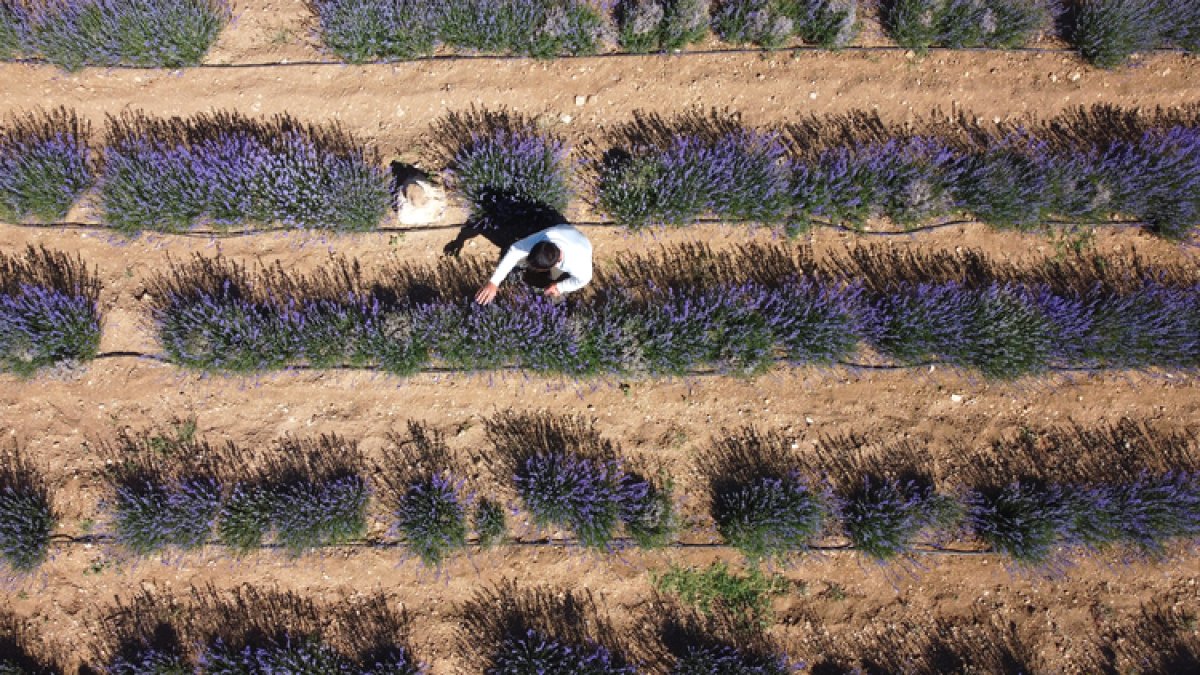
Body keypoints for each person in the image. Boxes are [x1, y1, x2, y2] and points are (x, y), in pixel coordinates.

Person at [474, 224, 593, 305]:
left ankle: (551, 309)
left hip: (580, 246)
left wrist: (560, 287)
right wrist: (494, 282)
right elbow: (515, 250)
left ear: (551, 266)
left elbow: (584, 279)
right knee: (511, 256)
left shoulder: (577, 265)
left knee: (554, 295)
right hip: (565, 231)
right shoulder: (546, 237)